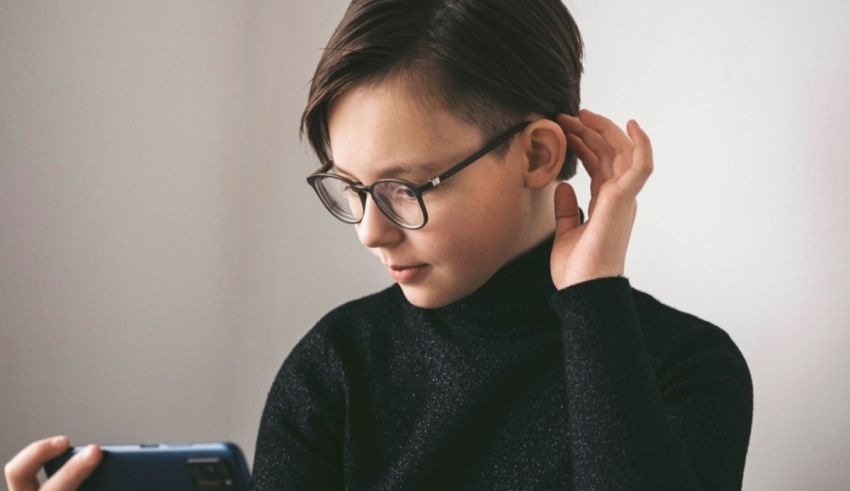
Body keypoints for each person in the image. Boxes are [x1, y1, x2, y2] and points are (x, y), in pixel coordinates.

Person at [5, 1, 753, 490]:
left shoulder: (686, 369)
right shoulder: (337, 366)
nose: (370, 230)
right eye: (351, 188)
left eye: (407, 187)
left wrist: (592, 300)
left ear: (537, 156)